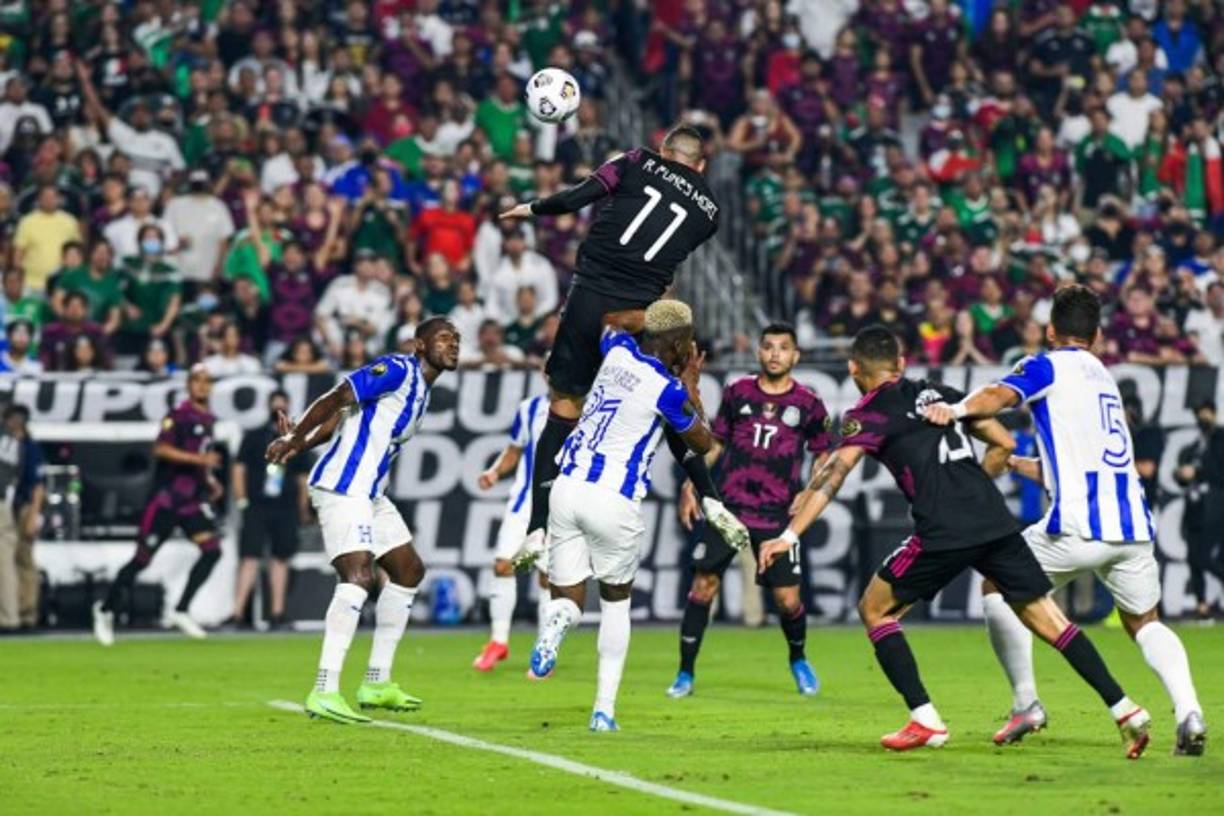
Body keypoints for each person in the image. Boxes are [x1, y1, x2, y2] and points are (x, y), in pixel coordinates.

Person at [759, 326, 1152, 756]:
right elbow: (1003, 443)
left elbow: (834, 474)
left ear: (854, 369)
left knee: (874, 608)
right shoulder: (938, 393)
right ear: (902, 364)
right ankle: (1126, 709)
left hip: (944, 530)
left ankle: (925, 720)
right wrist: (972, 486)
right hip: (993, 520)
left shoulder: (866, 413)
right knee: (1050, 620)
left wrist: (789, 535)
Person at [921, 285, 1206, 756]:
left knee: (995, 583)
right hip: (1131, 527)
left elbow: (997, 395)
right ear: (1096, 335)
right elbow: (1070, 463)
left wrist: (952, 410)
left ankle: (1026, 703)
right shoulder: (1104, 377)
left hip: (1075, 528)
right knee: (1146, 622)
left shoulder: (1046, 364)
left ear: (1051, 330)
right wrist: (1014, 464)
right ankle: (1190, 712)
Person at [499, 125, 745, 562]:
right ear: (701, 165)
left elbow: (576, 197)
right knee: (664, 403)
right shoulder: (711, 213)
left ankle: (537, 529)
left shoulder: (634, 161)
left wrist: (531, 208)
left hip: (590, 298)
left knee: (563, 408)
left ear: (663, 150)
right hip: (643, 315)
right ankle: (711, 498)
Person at [527, 301, 714, 732]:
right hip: (614, 499)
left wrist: (647, 319)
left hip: (567, 488)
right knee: (615, 603)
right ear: (681, 346)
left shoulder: (617, 352)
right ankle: (603, 711)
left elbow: (609, 318)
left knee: (567, 599)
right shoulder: (667, 387)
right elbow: (702, 442)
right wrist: (692, 384)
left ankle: (557, 622)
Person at [265, 317, 460, 724]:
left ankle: (375, 681)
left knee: (408, 571)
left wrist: (299, 442)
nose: (453, 345)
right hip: (342, 487)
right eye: (443, 338)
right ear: (419, 345)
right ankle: (324, 689)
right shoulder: (396, 369)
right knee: (358, 579)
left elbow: (340, 421)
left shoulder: (422, 391)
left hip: (370, 494)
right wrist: (296, 435)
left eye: (457, 340)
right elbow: (338, 397)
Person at [667, 323, 833, 699]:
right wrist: (691, 482)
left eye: (783, 348)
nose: (775, 353)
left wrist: (809, 491)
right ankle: (684, 674)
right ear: (759, 353)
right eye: (769, 347)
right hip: (730, 508)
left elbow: (824, 454)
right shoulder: (737, 392)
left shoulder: (808, 402)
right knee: (703, 586)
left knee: (788, 600)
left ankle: (799, 660)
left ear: (796, 356)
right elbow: (715, 444)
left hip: (777, 515)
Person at [92, 365, 225, 645]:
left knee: (212, 550)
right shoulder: (178, 416)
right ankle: (105, 611)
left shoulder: (210, 420)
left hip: (191, 501)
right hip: (166, 501)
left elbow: (202, 456)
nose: (202, 385)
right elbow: (161, 449)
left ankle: (181, 610)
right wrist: (200, 462)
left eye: (206, 381)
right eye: (197, 380)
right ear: (188, 385)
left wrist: (210, 480)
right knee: (141, 560)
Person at [472, 388, 550, 671]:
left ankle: (544, 649)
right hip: (522, 503)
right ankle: (499, 641)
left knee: (547, 577)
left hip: (558, 506)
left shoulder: (584, 408)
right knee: (503, 565)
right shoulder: (529, 408)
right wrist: (494, 471)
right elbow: (515, 449)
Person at [228, 390, 310, 629]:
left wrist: (302, 508)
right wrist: (242, 500)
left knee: (280, 559)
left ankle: (277, 613)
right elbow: (239, 469)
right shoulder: (254, 437)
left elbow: (302, 479)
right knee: (249, 557)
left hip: (285, 508)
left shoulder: (296, 439)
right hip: (257, 505)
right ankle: (237, 613)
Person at [1175, 400, 1224, 621]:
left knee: (1207, 557)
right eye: (1198, 414)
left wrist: (1197, 470)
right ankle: (1202, 606)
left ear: (1213, 413)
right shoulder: (1195, 444)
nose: (1201, 418)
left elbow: (1218, 470)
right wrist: (1182, 474)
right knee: (1194, 558)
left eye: (1205, 413)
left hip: (1216, 505)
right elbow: (1182, 476)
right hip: (1195, 508)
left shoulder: (1220, 438)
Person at [0, 404, 41, 631]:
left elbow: (37, 485)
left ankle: (20, 613)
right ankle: (17, 612)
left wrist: (33, 513)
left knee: (18, 560)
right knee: (12, 560)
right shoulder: (16, 443)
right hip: (10, 504)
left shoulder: (27, 445)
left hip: (21, 505)